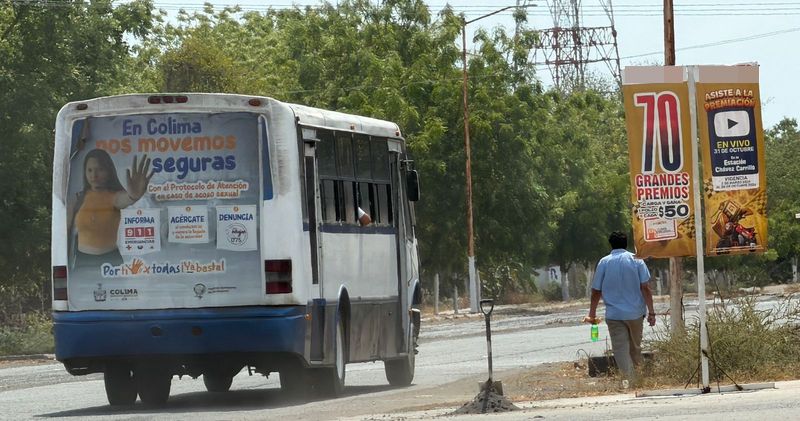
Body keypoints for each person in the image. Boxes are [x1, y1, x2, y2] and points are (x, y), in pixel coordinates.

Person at [585, 231, 655, 384]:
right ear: (626, 243)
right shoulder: (637, 260)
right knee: (635, 348)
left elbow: (596, 291)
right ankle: (639, 379)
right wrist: (652, 312)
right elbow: (646, 288)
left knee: (620, 349)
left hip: (614, 314)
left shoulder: (604, 262)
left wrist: (592, 314)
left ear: (611, 244)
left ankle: (630, 381)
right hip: (636, 313)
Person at [68, 149, 153, 267]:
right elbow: (65, 233)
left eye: (100, 169)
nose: (94, 175)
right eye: (90, 170)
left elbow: (126, 199)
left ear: (109, 171)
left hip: (111, 262)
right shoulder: (77, 199)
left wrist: (133, 196)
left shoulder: (114, 197)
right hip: (82, 262)